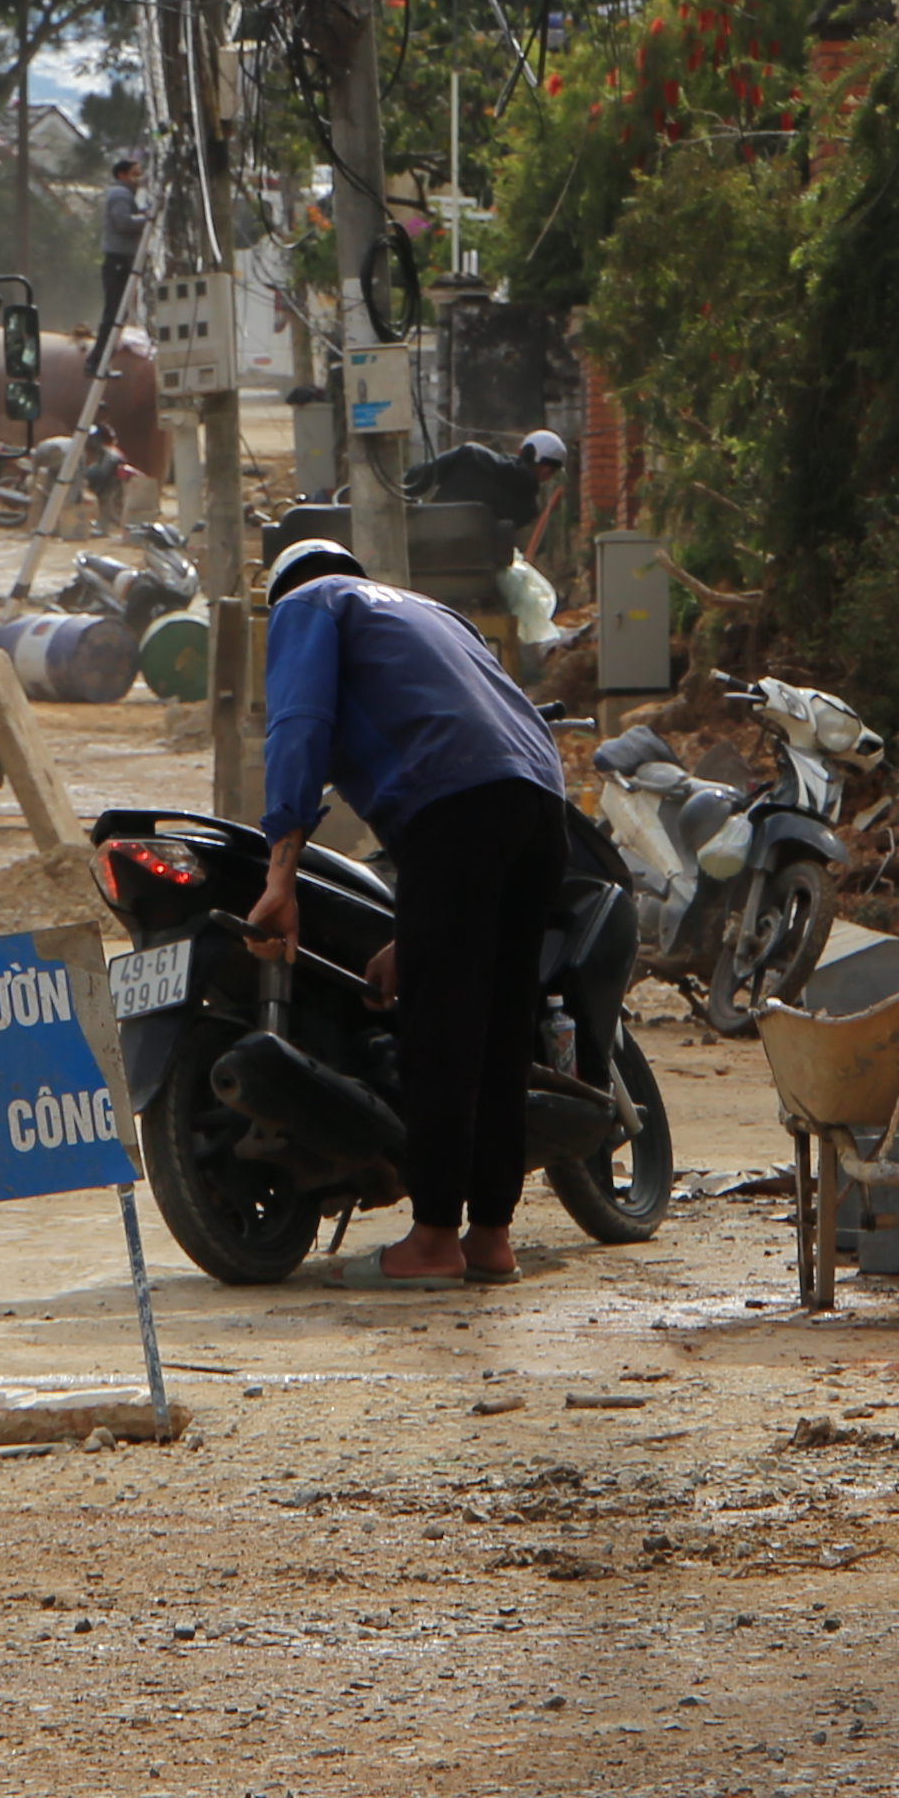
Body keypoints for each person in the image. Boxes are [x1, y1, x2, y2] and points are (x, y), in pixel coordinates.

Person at [244, 537, 576, 1289]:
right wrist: (410, 933)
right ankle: (491, 1236)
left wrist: (280, 879)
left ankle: (432, 1237)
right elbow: (473, 729)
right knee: (499, 1026)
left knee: (440, 1029)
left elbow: (296, 728)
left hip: (454, 809)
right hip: (539, 805)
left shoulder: (308, 604)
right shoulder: (434, 614)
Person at [92, 154, 153, 349]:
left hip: (120, 260)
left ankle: (106, 352)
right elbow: (124, 223)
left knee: (118, 311)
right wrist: (148, 220)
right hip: (117, 261)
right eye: (135, 174)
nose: (139, 179)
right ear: (122, 175)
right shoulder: (120, 194)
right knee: (114, 312)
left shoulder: (122, 195)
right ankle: (99, 356)